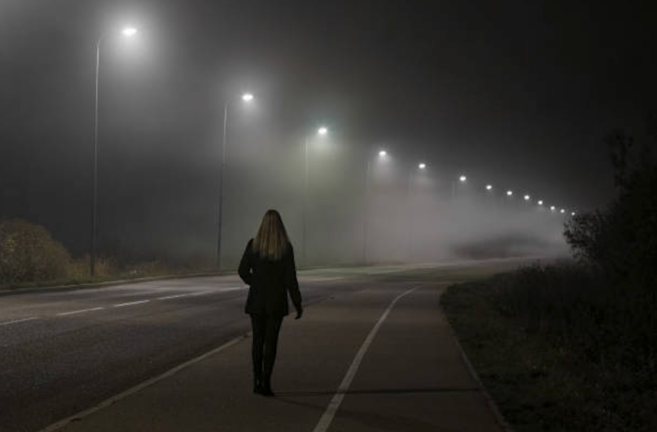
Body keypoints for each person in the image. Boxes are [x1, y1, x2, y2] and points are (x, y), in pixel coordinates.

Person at [238, 209, 303, 397]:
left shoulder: (253, 245)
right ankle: (266, 382)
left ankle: (256, 381)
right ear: (280, 227)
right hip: (276, 301)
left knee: (257, 341)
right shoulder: (286, 248)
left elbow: (242, 270)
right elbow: (291, 279)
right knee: (271, 343)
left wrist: (255, 283)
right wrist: (297, 303)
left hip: (257, 300)